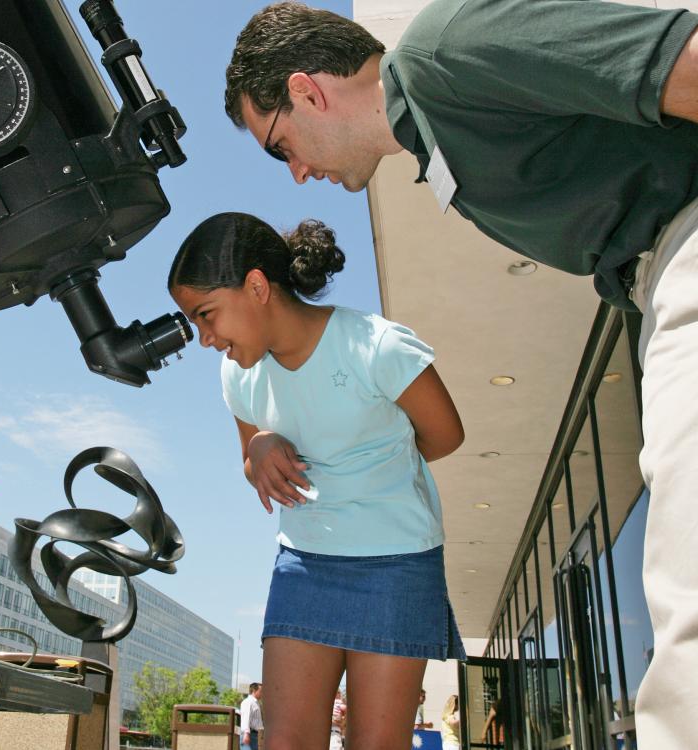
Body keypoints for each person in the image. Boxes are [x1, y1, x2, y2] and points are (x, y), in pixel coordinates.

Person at [223, 3, 698, 746]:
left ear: (309, 91)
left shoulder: (446, 52)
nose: (299, 171)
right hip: (652, 278)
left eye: (281, 144)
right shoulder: (434, 135)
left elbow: (683, 62)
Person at [168, 212, 466, 750]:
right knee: (283, 742)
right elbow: (247, 461)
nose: (205, 338)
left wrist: (376, 467)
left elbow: (445, 435)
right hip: (303, 565)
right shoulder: (238, 375)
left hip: (396, 562)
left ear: (256, 287)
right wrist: (258, 448)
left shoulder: (376, 346)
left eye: (206, 315)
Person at [239, 682, 264, 749]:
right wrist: (246, 734)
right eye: (261, 691)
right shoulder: (248, 702)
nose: (262, 693)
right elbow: (245, 718)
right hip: (248, 734)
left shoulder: (256, 703)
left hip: (254, 735)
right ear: (254, 691)